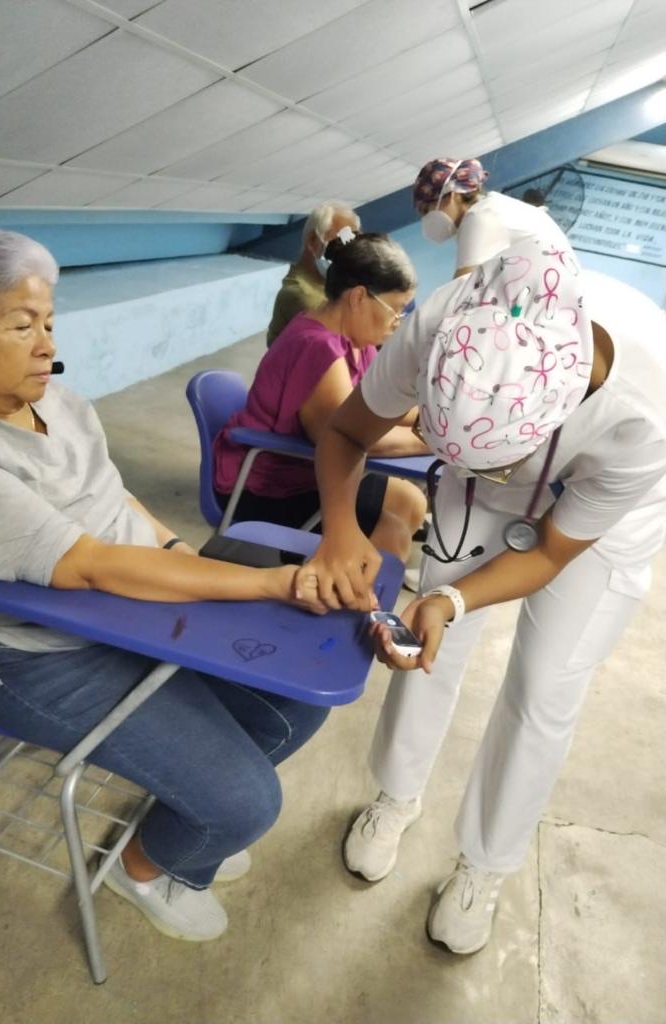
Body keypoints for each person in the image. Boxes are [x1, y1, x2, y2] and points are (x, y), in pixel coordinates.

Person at [0, 229, 332, 945]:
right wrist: (268, 583)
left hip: (120, 613)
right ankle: (144, 868)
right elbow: (90, 565)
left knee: (294, 707)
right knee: (247, 805)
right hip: (31, 655)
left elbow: (113, 496)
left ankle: (191, 819)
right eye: (22, 326)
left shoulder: (58, 401)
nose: (46, 346)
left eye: (49, 322)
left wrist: (174, 551)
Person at [306, 235, 666, 954]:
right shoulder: (442, 322)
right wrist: (340, 531)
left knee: (544, 689)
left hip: (606, 522)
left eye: (506, 460)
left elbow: (554, 550)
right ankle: (396, 796)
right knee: (423, 639)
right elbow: (347, 431)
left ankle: (485, 863)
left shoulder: (646, 413)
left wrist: (459, 599)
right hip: (475, 483)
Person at [214, 230, 428, 564]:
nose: (397, 323)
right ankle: (350, 590)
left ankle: (356, 584)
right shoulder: (319, 348)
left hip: (302, 471)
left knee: (412, 502)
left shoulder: (356, 341)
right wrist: (433, 439)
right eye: (396, 309)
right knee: (394, 525)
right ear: (358, 297)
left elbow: (380, 407)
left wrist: (431, 418)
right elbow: (353, 438)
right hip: (269, 485)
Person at [413, 156, 570, 278]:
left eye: (427, 210)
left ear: (452, 195)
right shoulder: (496, 206)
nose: (426, 219)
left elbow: (463, 290)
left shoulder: (482, 215)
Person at [266, 201, 361, 346]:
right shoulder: (301, 295)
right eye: (338, 245)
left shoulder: (329, 284)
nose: (347, 255)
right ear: (313, 241)